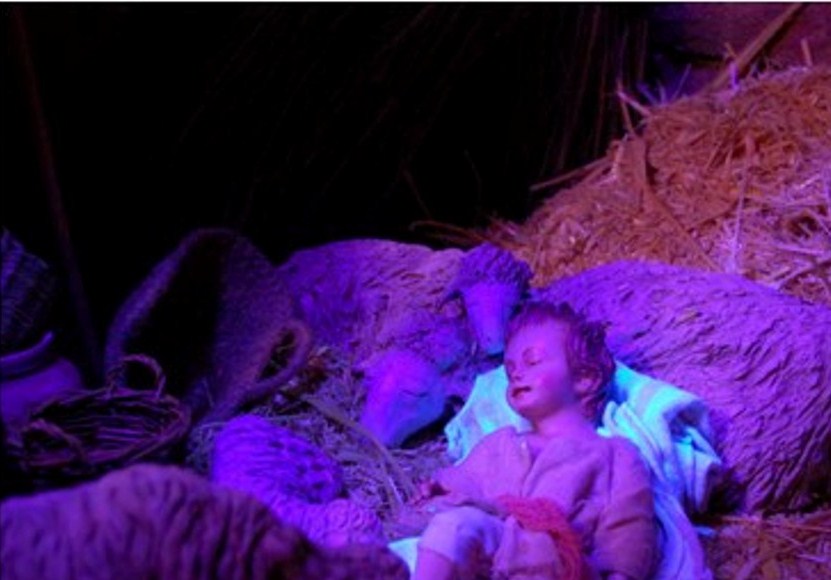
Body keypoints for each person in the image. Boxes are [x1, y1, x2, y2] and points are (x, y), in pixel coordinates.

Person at [412, 301, 657, 579]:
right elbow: (460, 486)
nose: (517, 374)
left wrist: (620, 574)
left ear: (584, 378)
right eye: (510, 371)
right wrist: (434, 491)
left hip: (555, 565)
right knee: (429, 539)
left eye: (533, 361)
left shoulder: (614, 453)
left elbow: (627, 527)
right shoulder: (497, 446)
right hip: (486, 559)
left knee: (454, 528)